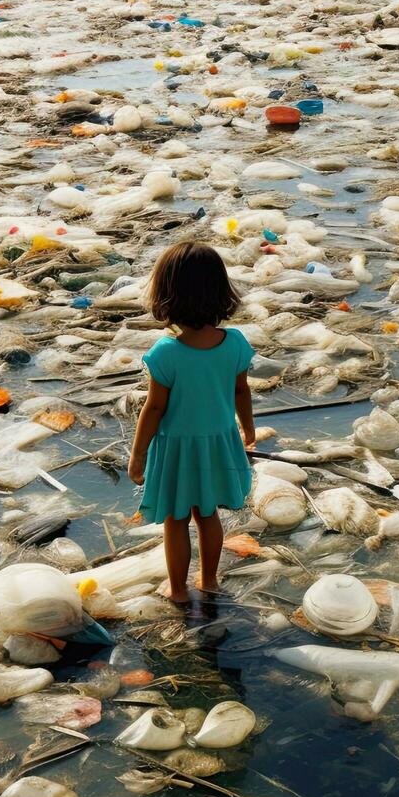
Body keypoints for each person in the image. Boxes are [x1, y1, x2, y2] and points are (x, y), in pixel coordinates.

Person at [129, 241, 256, 603]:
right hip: (218, 444)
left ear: (167, 296)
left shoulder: (165, 352)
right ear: (220, 292)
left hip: (177, 449)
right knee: (208, 515)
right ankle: (210, 581)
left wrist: (138, 455)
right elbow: (241, 392)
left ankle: (179, 590)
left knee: (175, 519)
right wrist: (248, 431)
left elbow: (154, 410)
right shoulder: (235, 343)